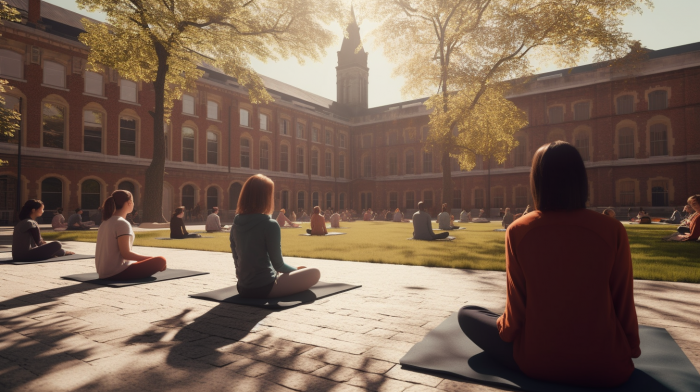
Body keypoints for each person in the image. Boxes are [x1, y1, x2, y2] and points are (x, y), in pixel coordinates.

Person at [458, 141, 640, 388]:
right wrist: (631, 346)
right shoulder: (612, 229)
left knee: (468, 314)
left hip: (539, 362)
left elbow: (515, 314)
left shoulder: (519, 230)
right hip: (608, 364)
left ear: (537, 181)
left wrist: (506, 333)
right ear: (580, 179)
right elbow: (623, 299)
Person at [231, 174, 321, 298]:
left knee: (301, 268)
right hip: (265, 287)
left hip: (242, 287)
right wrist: (296, 270)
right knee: (314, 273)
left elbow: (236, 258)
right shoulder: (269, 224)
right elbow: (279, 265)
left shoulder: (236, 223)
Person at [95, 190, 166, 280]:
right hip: (116, 272)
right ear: (129, 203)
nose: (133, 204)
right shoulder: (121, 223)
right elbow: (126, 254)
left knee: (156, 261)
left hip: (104, 272)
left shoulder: (105, 222)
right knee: (161, 260)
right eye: (133, 201)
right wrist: (151, 259)